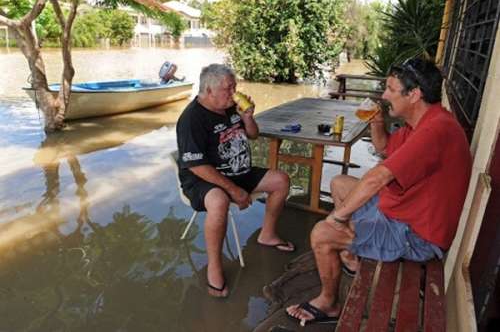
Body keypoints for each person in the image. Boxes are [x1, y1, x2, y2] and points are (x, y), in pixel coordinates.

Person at [286, 58, 472, 325]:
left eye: (391, 90)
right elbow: (385, 149)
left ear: (414, 94)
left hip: (417, 236)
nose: (384, 96)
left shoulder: (435, 130)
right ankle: (351, 258)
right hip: (403, 210)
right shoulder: (422, 122)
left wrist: (337, 219)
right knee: (340, 183)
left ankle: (329, 303)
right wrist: (376, 122)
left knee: (322, 234)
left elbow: (379, 177)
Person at [176, 64, 294, 298]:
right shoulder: (191, 119)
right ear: (209, 91)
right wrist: (234, 190)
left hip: (239, 171)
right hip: (203, 178)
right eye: (227, 89)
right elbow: (197, 165)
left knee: (281, 180)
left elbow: (253, 134)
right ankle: (214, 267)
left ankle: (267, 234)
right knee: (219, 201)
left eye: (234, 87)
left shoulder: (230, 108)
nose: (233, 93)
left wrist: (247, 117)